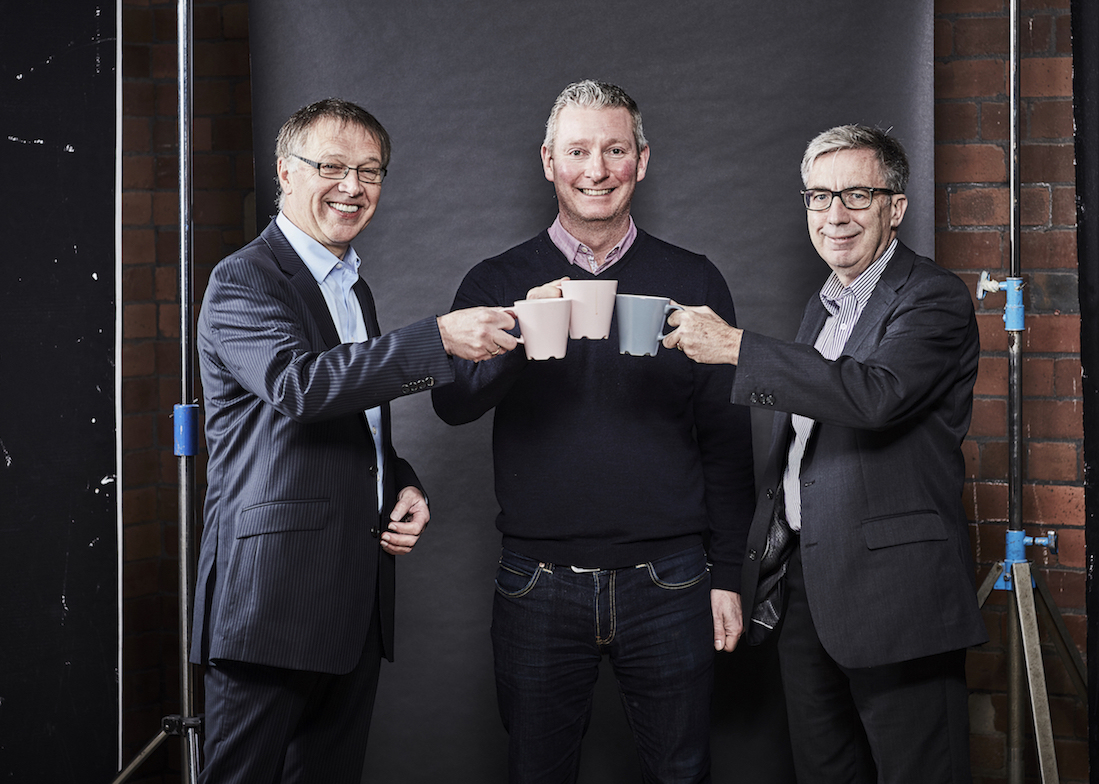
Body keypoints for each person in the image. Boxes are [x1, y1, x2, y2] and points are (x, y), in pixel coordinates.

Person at [430, 80, 756, 783]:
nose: (596, 169)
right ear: (549, 161)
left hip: (671, 581)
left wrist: (727, 574)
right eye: (578, 150)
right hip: (536, 584)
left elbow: (728, 443)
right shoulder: (497, 279)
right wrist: (516, 331)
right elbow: (451, 406)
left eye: (614, 150)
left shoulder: (691, 278)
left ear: (642, 160)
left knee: (684, 771)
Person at [190, 98, 518, 783]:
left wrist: (400, 480)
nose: (353, 186)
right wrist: (438, 337)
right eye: (331, 166)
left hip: (352, 603)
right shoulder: (245, 279)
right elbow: (299, 389)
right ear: (285, 171)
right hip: (270, 604)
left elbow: (351, 413)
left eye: (370, 171)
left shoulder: (351, 286)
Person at [663, 125, 988, 783]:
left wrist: (737, 348)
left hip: (897, 594)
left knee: (920, 771)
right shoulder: (824, 306)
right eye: (818, 197)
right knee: (825, 773)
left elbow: (877, 396)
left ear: (895, 207)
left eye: (856, 195)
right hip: (806, 585)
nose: (834, 215)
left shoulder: (933, 297)